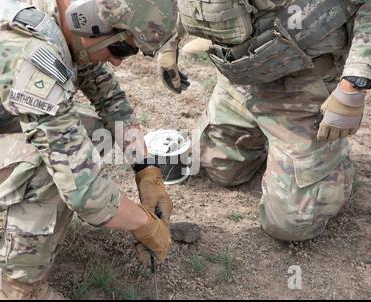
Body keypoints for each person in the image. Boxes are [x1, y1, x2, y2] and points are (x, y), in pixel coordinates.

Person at [0, 0, 177, 299]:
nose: (119, 62)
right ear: (89, 20)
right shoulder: (27, 56)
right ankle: (19, 291)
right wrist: (145, 224)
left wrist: (147, 171)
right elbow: (86, 194)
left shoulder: (45, 16)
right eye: (122, 49)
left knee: (84, 135)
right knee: (54, 165)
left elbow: (108, 96)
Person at [157, 0, 370, 241]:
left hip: (301, 84)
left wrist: (354, 83)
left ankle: (327, 162)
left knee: (291, 224)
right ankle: (271, 146)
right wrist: (169, 42)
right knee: (219, 168)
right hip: (238, 77)